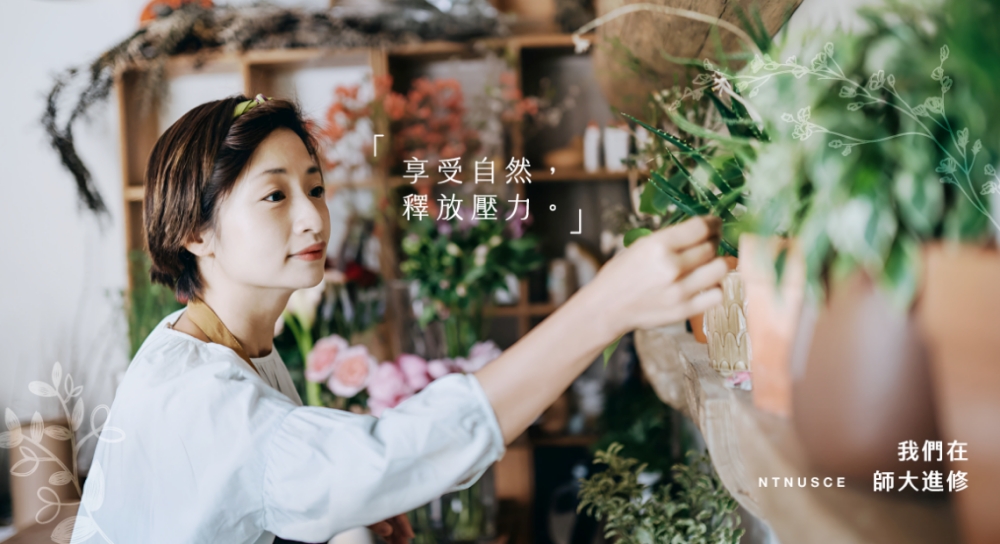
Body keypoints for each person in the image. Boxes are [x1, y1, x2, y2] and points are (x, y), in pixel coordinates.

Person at [73, 95, 726, 544]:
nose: (313, 217)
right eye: (275, 195)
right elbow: (386, 455)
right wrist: (606, 306)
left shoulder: (219, 345)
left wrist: (349, 510)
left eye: (316, 188)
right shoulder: (198, 394)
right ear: (195, 232)